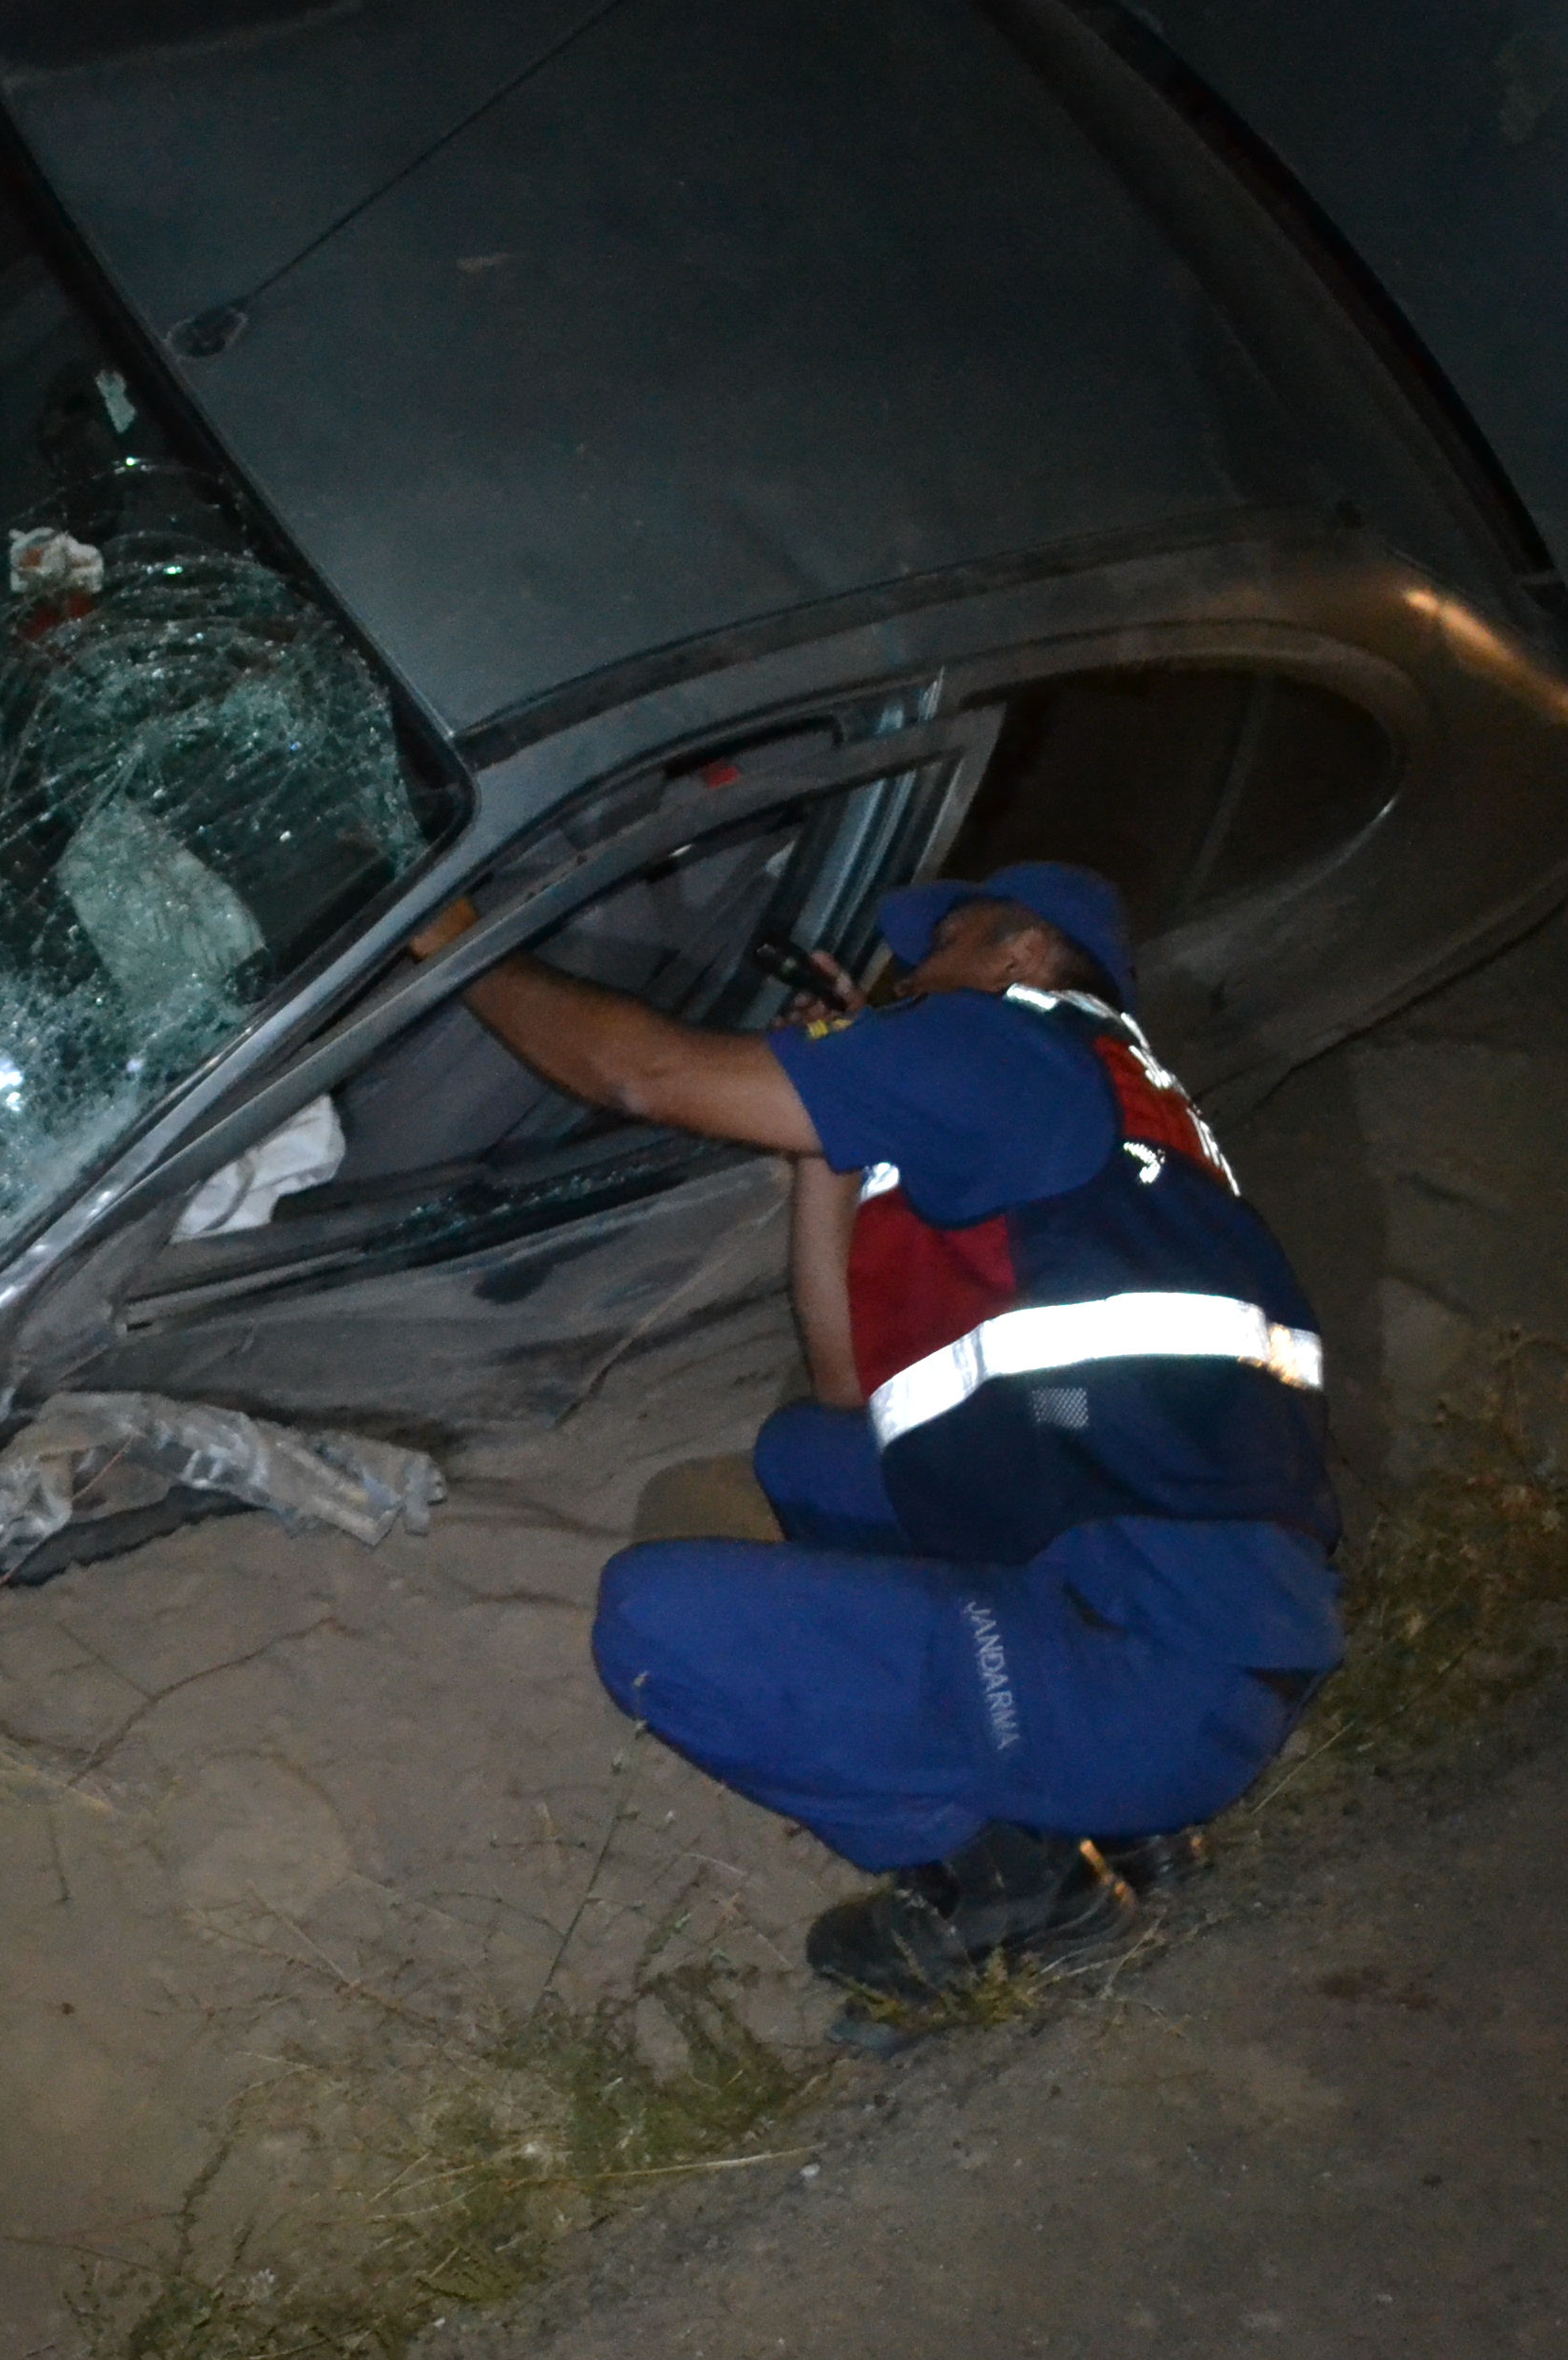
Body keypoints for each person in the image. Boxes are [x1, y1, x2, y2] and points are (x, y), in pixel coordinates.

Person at [407, 858, 1336, 2005]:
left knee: (655, 1623)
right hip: (1205, 1628)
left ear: (1023, 954)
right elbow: (856, 1392)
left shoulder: (1007, 1048)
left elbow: (637, 1072)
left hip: (1154, 1677)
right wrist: (821, 1149)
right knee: (811, 1456)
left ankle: (1021, 1874)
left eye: (940, 949)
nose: (907, 976)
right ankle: (1107, 1802)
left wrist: (447, 939)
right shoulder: (1100, 1097)